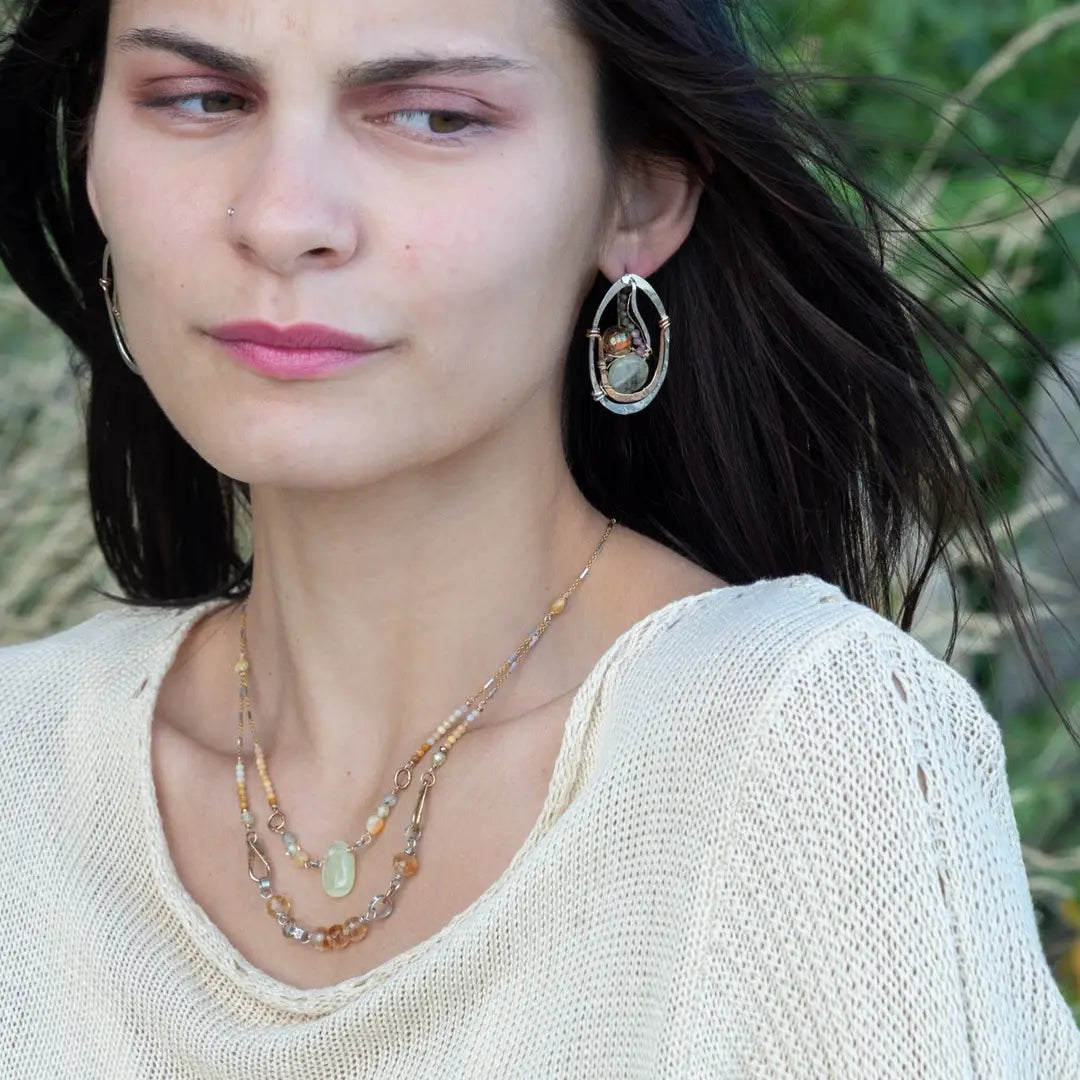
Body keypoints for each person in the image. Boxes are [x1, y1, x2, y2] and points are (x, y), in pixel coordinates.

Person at [0, 0, 1078, 1076]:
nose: (282, 219)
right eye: (200, 100)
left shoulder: (808, 753)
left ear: (639, 194)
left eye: (434, 116)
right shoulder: (22, 762)